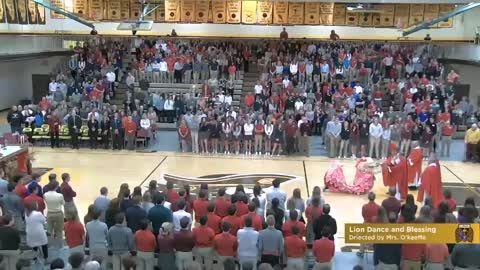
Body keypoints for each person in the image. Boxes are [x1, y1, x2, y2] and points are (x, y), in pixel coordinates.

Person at [44, 181, 65, 246]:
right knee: (59, 230)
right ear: (56, 187)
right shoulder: (60, 195)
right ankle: (60, 245)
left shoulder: (45, 195)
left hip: (50, 213)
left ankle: (49, 245)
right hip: (58, 213)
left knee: (49, 230)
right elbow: (63, 203)